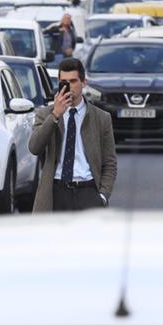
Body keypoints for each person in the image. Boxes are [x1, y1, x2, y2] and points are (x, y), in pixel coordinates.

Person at [29, 57, 116, 212]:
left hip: (88, 191)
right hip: (56, 191)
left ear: (84, 82)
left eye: (73, 81)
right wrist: (55, 115)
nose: (69, 86)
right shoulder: (46, 114)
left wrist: (102, 195)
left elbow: (110, 162)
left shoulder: (101, 118)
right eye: (64, 82)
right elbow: (35, 148)